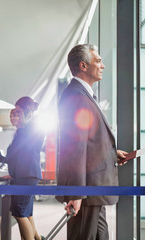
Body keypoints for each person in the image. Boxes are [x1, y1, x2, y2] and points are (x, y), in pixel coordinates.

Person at [56, 44, 127, 240]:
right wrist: (77, 193)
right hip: (86, 190)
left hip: (94, 190)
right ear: (83, 66)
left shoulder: (84, 95)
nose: (103, 65)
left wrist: (111, 154)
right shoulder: (77, 97)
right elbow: (75, 148)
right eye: (98, 61)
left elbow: (90, 142)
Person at [0, 96, 45, 240]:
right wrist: (0, 158)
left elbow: (24, 153)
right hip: (25, 175)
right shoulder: (24, 130)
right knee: (26, 213)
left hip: (26, 176)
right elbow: (17, 156)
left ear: (26, 112)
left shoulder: (30, 129)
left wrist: (20, 126)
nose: (14, 116)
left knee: (20, 213)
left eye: (18, 112)